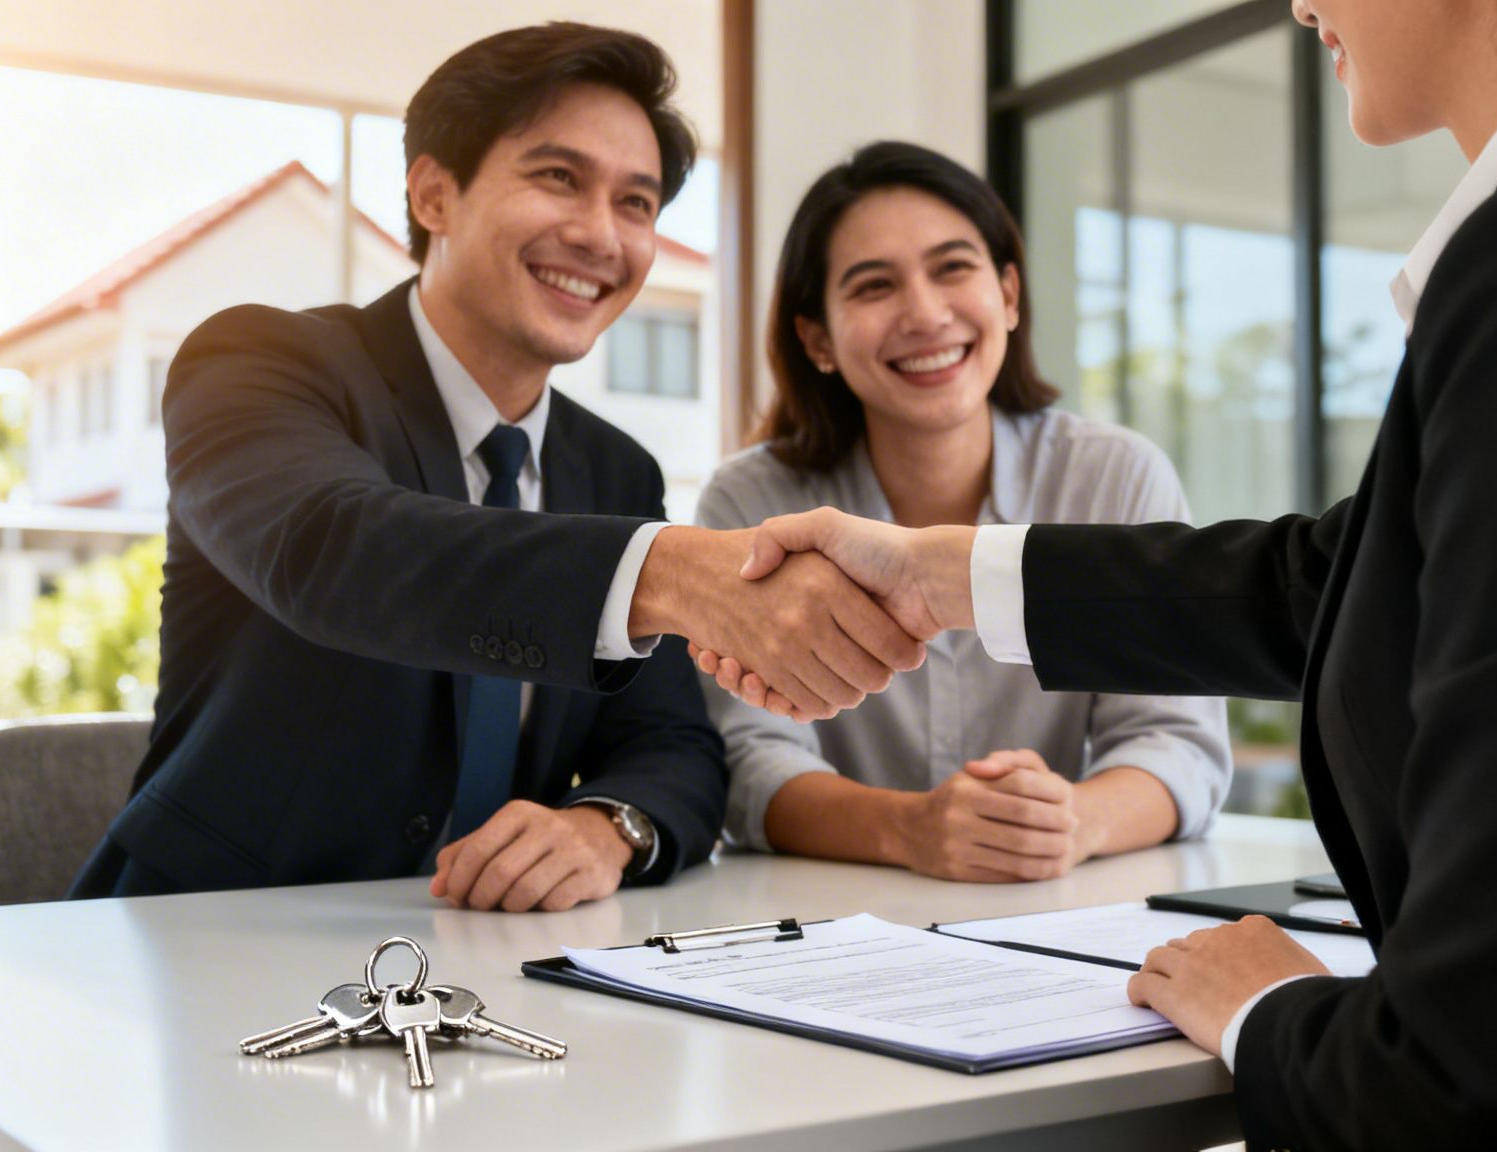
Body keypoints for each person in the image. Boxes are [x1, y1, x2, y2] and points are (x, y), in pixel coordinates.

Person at [705, 1, 1497, 1144]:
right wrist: (942, 575)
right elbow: (1349, 579)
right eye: (872, 285)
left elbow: (1483, 1082)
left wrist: (1266, 1009)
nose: (1298, 4)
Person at [69, 23, 926, 909]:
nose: (600, 234)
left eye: (636, 203)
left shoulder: (617, 470)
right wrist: (666, 571)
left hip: (490, 950)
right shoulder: (262, 364)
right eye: (558, 178)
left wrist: (605, 826)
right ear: (434, 194)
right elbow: (335, 549)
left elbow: (673, 745)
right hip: (211, 931)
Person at [695, 142, 1231, 881]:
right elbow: (749, 760)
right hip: (833, 914)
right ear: (818, 338)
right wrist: (909, 830)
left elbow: (1177, 740)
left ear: (1008, 295)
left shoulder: (1115, 478)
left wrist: (1070, 823)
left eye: (952, 268)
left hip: (1058, 908)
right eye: (874, 285)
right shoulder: (749, 503)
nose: (925, 313)